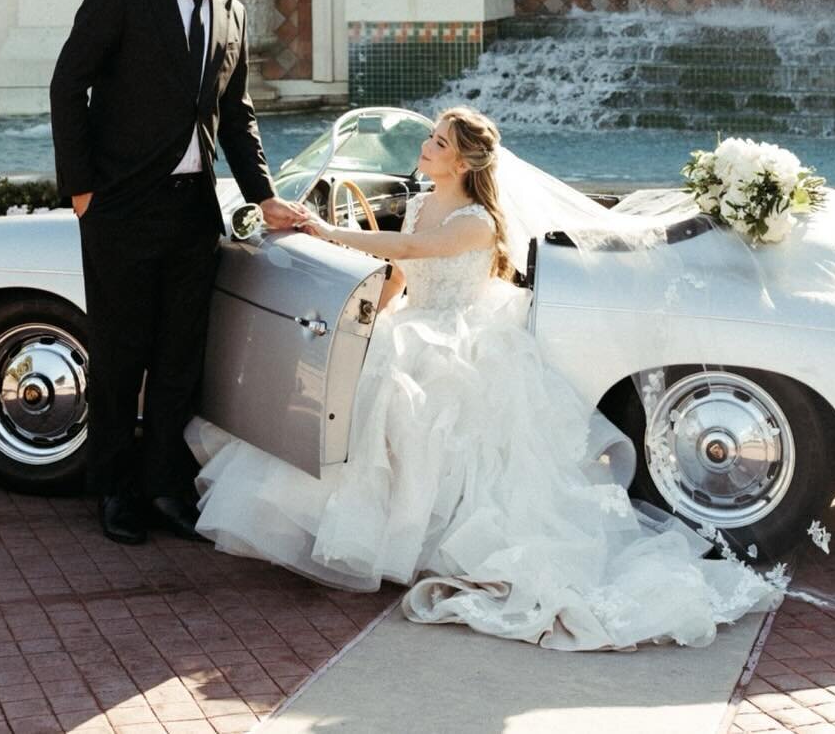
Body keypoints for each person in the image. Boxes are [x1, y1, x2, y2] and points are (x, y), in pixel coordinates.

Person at [187, 106, 778, 650]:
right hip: (414, 321)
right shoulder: (420, 200)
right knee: (365, 396)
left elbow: (416, 246)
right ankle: (383, 533)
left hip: (463, 334)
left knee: (424, 411)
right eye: (430, 137)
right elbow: (399, 271)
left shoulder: (475, 222)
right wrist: (371, 311)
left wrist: (328, 232)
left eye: (438, 142)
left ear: (465, 162)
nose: (426, 146)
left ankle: (430, 544)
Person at [50, 0, 304, 546]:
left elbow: (237, 112)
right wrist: (81, 189)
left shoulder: (232, 14)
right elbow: (66, 82)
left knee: (179, 358)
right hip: (120, 210)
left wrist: (262, 193)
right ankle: (112, 488)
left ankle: (165, 486)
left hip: (194, 214)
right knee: (120, 354)